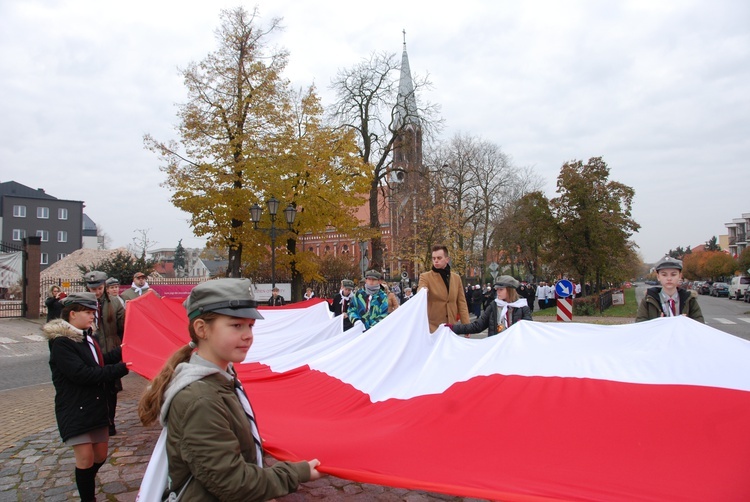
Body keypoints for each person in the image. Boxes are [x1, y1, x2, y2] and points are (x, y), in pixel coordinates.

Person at [137, 278, 322, 500]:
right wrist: (294, 473)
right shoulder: (200, 399)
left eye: (250, 326)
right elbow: (232, 483)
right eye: (236, 325)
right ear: (202, 329)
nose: (248, 335)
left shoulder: (222, 378)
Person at [42, 292, 130, 502]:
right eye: (88, 312)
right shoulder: (61, 343)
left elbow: (99, 362)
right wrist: (120, 369)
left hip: (96, 407)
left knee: (99, 456)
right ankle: (88, 498)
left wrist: (123, 351)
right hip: (75, 409)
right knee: (85, 459)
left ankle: (86, 481)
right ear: (72, 314)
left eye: (94, 312)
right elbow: (82, 374)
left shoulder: (88, 337)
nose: (93, 317)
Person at [85, 270, 125, 435]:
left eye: (99, 288)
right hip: (91, 351)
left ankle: (110, 421)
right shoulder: (83, 304)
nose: (96, 292)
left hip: (110, 349)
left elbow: (123, 326)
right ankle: (96, 420)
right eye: (93, 289)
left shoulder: (114, 303)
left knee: (111, 389)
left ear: (104, 287)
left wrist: (121, 347)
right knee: (94, 387)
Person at [450, 276, 532, 337]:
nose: (498, 292)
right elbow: (478, 325)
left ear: (510, 290)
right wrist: (453, 328)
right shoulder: (494, 305)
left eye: (501, 289)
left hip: (516, 348)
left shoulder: (522, 306)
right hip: (497, 348)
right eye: (497, 289)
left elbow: (529, 329)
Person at [417, 245, 470, 332]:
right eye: (433, 258)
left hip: (452, 326)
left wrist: (467, 327)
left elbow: (461, 303)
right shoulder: (425, 277)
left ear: (447, 259)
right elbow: (421, 288)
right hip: (433, 327)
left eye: (439, 258)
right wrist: (423, 290)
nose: (436, 261)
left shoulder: (456, 278)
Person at [636, 257, 704, 323]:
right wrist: (656, 324)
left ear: (680, 276)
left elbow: (699, 325)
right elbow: (640, 325)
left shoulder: (689, 300)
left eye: (673, 274)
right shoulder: (648, 300)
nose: (669, 278)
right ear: (658, 277)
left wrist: (686, 323)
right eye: (664, 275)